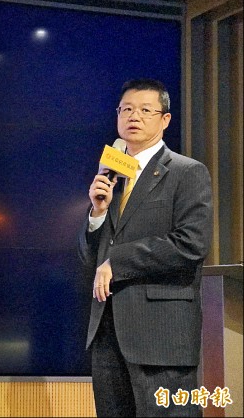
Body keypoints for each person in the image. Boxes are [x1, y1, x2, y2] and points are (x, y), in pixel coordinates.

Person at [78, 78, 213, 417]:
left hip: (161, 336)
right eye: (126, 109)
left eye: (145, 110)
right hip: (108, 334)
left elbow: (191, 244)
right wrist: (97, 213)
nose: (133, 116)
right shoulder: (112, 175)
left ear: (165, 120)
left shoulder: (187, 172)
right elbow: (90, 258)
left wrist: (117, 261)